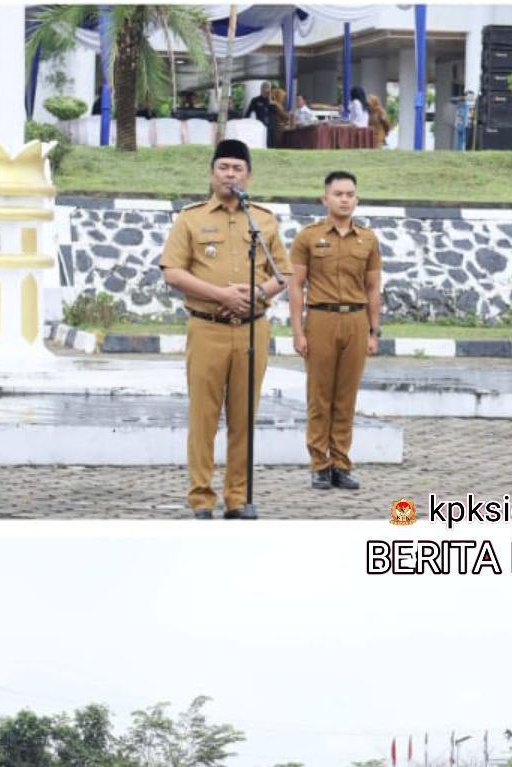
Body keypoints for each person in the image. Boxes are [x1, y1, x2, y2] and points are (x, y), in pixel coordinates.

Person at [159, 139, 290, 518]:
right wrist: (222, 295)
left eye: (237, 169)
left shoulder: (262, 220)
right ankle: (201, 497)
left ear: (249, 176)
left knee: (244, 416)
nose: (230, 174)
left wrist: (258, 293)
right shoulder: (190, 218)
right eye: (223, 167)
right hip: (208, 328)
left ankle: (238, 498)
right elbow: (172, 272)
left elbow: (283, 273)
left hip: (252, 329)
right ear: (211, 173)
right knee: (204, 416)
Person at [288, 171, 382, 490]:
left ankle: (341, 464)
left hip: (355, 320)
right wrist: (298, 331)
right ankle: (319, 464)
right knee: (319, 396)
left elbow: (373, 288)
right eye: (338, 194)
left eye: (350, 194)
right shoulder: (308, 237)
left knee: (346, 397)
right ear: (325, 199)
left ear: (357, 199)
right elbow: (296, 285)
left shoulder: (368, 239)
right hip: (321, 319)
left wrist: (374, 332)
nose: (344, 199)